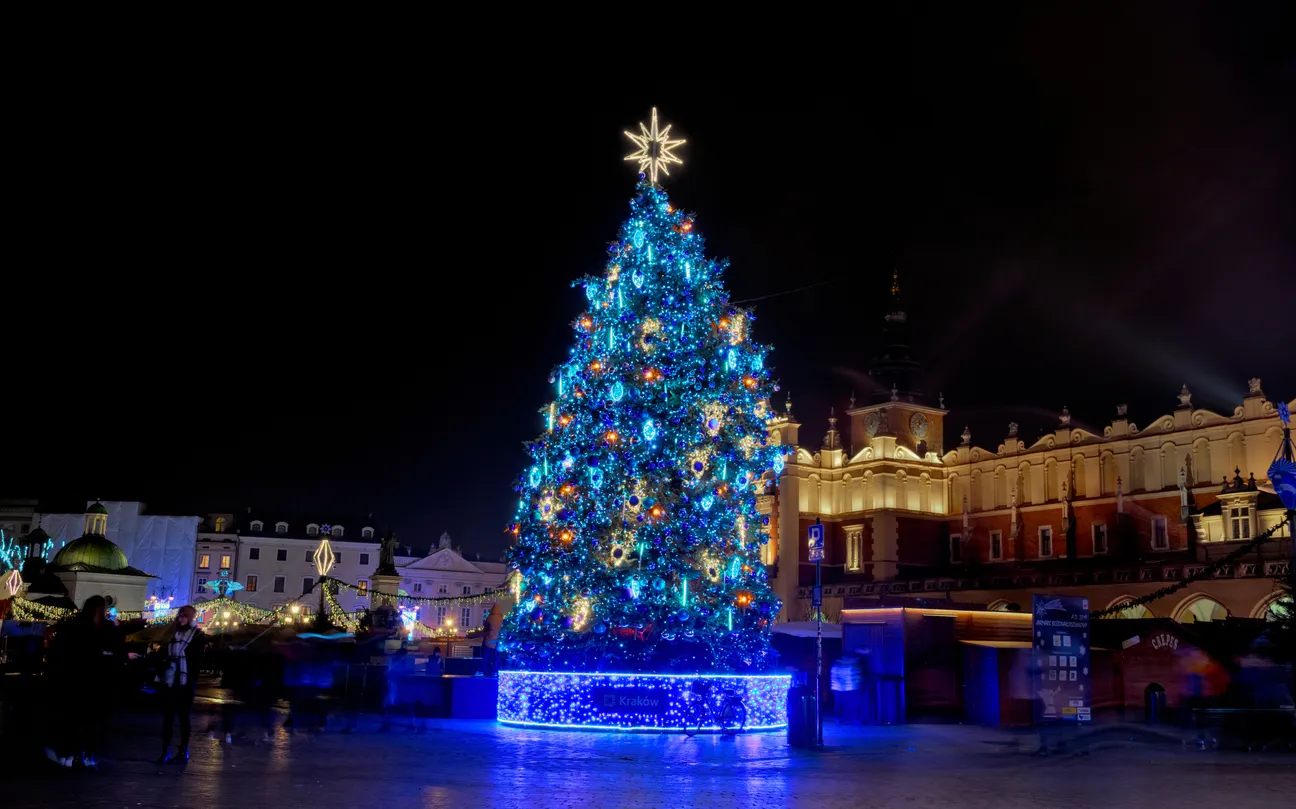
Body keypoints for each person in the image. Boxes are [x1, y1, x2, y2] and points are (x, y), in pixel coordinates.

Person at [46, 596, 121, 768]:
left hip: (78, 678)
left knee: (76, 719)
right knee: (89, 721)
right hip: (93, 680)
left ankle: (72, 754)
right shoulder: (104, 627)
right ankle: (85, 754)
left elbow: (61, 650)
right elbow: (114, 649)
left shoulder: (74, 625)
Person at [156, 605, 205, 764]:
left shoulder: (197, 635)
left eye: (184, 616)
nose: (180, 618)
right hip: (171, 679)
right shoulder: (172, 632)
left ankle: (184, 750)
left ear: (190, 617)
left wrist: (186, 672)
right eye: (179, 615)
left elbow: (196, 660)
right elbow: (163, 650)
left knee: (184, 717)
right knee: (168, 717)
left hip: (186, 681)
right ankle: (165, 750)